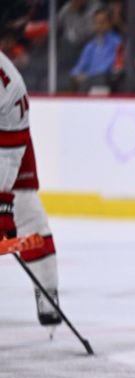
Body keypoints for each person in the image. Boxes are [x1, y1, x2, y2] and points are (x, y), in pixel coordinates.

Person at [1, 5, 61, 330]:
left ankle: (47, 291)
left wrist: (2, 202)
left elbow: (10, 148)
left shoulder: (9, 83)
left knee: (26, 209)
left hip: (8, 142)